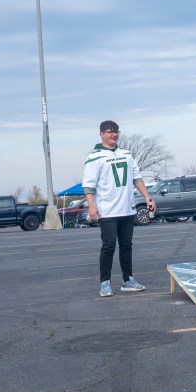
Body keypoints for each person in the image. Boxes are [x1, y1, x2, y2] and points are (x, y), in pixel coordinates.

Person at [82, 120, 156, 298]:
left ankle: (127, 279)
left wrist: (147, 197)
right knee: (108, 246)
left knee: (126, 246)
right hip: (107, 210)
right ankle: (105, 283)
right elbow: (89, 186)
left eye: (115, 131)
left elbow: (136, 178)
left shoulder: (127, 154)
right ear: (101, 134)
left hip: (127, 209)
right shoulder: (95, 157)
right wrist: (92, 206)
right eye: (109, 132)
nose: (113, 135)